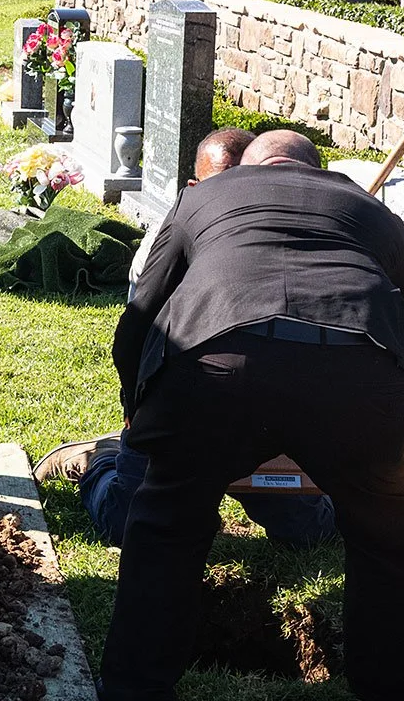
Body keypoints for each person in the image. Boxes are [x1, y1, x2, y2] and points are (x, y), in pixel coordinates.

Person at [99, 130, 404, 701]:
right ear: (318, 170)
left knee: (168, 519)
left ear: (246, 168)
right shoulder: (374, 212)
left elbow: (143, 310)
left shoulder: (204, 196)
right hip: (361, 377)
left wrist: (142, 415)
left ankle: (135, 699)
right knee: (388, 540)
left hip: (217, 365)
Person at [33, 127, 338, 549]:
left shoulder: (328, 232)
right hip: (190, 403)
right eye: (222, 183)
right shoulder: (172, 238)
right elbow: (139, 337)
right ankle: (98, 459)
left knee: (309, 534)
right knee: (132, 526)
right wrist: (137, 418)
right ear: (195, 189)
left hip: (272, 413)